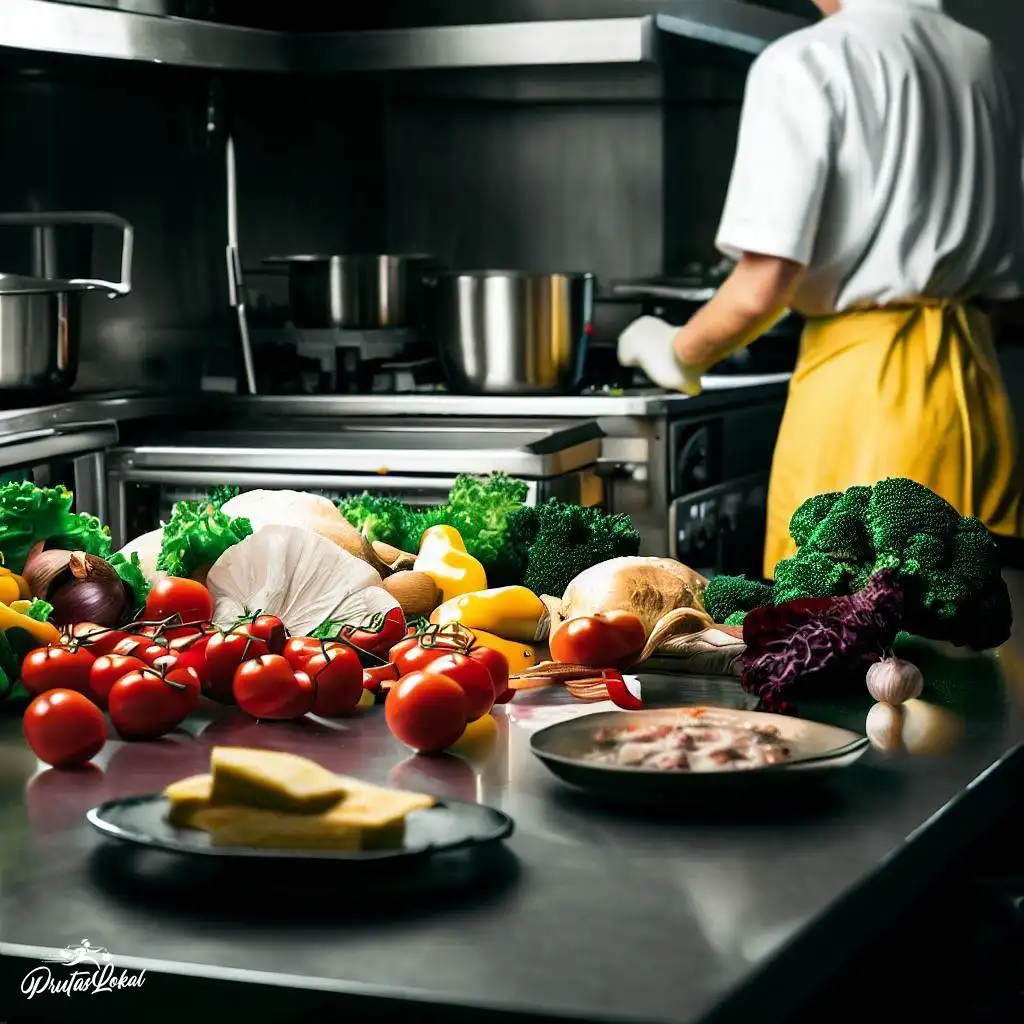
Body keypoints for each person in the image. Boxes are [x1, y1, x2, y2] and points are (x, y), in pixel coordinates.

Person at [617, 0, 1024, 578]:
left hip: (869, 403)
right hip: (979, 396)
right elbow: (1007, 295)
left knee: (848, 634)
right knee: (982, 642)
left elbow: (764, 285)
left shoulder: (807, 60)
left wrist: (677, 352)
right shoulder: (981, 58)